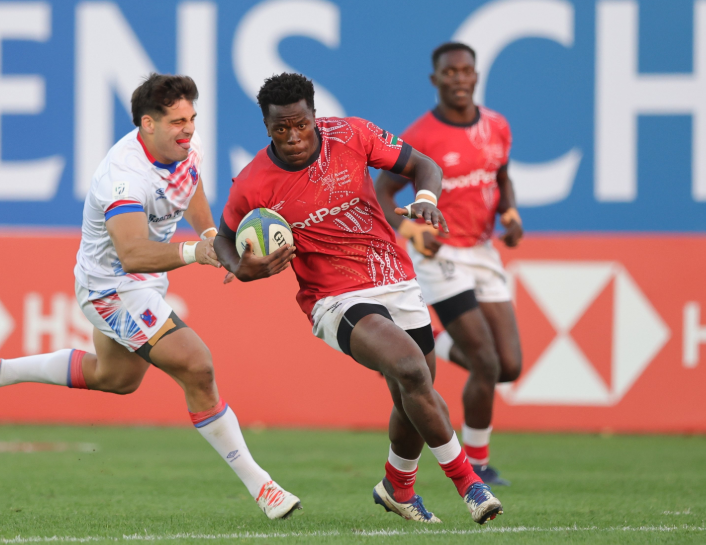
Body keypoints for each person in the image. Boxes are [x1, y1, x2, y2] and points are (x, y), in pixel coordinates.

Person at [0, 74, 301, 520]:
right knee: (197, 364)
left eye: (191, 118)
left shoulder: (187, 146)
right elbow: (132, 254)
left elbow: (189, 188)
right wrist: (200, 251)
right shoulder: (122, 177)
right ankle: (262, 486)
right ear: (147, 125)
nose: (188, 129)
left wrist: (211, 235)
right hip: (111, 287)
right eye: (177, 121)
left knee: (118, 379)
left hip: (141, 280)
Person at [213, 72, 503, 525]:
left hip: (395, 278)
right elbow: (225, 240)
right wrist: (240, 267)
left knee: (414, 390)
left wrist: (426, 198)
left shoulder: (353, 135)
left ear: (315, 116)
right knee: (409, 368)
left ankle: (397, 488)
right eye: (280, 129)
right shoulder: (253, 182)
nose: (293, 137)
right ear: (266, 128)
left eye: (301, 125)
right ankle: (469, 483)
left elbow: (425, 165)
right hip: (333, 298)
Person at [375, 42, 523, 486]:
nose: (459, 78)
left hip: (482, 251)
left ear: (476, 76)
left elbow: (501, 176)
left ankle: (438, 343)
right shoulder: (422, 135)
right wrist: (410, 230)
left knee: (508, 365)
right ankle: (477, 462)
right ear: (435, 79)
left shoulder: (496, 126)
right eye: (450, 72)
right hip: (440, 255)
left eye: (466, 71)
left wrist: (510, 213)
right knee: (486, 362)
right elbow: (382, 191)